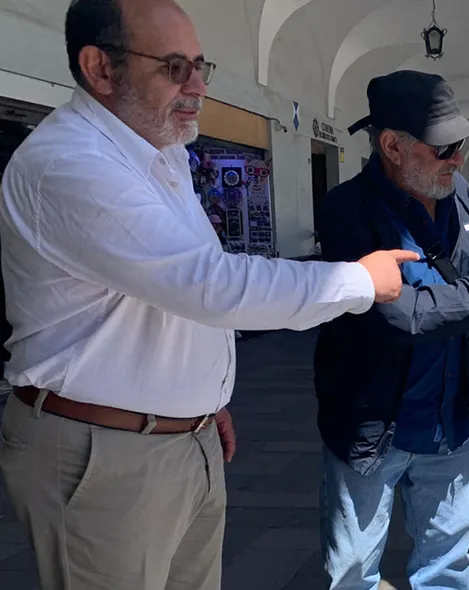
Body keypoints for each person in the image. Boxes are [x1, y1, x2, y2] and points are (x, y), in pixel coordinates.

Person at [0, 1, 415, 589]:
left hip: (175, 439)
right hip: (103, 455)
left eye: (201, 65)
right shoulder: (69, 163)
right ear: (99, 68)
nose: (197, 86)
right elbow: (211, 284)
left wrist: (202, 396)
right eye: (174, 67)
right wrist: (357, 281)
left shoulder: (160, 154)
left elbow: (165, 290)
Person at [314, 70, 469, 590]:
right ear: (392, 145)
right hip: (373, 426)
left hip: (448, 419)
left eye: (461, 145)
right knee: (352, 570)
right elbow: (398, 314)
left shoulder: (460, 194)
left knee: (447, 564)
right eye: (445, 148)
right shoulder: (346, 211)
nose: (458, 159)